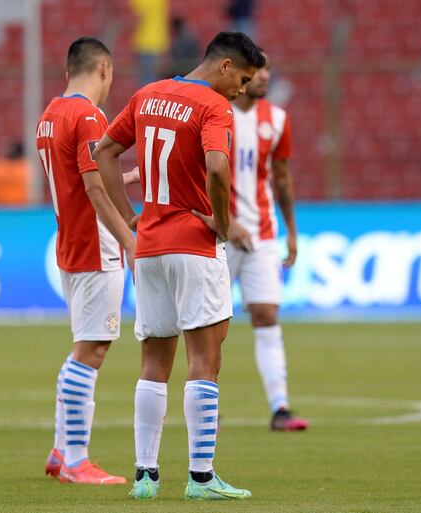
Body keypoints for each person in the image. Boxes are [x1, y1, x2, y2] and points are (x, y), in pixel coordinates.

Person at [95, 31, 266, 500]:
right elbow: (217, 167)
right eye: (243, 79)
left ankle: (145, 476)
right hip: (193, 244)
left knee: (153, 363)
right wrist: (223, 223)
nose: (242, 91)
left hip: (149, 248)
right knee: (205, 360)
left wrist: (129, 216)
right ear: (225, 66)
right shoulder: (213, 106)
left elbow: (104, 152)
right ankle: (201, 477)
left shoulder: (148, 94)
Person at [37, 37, 136, 485]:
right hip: (97, 247)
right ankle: (77, 460)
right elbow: (94, 188)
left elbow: (80, 178)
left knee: (86, 344)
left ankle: (62, 450)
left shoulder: (50, 115)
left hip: (70, 245)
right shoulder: (90, 116)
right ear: (104, 69)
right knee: (91, 349)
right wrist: (128, 240)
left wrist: (126, 177)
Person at [227, 55, 309, 431]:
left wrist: (290, 230)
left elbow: (282, 177)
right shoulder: (216, 114)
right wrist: (225, 222)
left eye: (268, 70)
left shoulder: (276, 119)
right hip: (217, 235)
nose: (265, 76)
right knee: (208, 325)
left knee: (266, 315)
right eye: (258, 69)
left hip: (261, 233)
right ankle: (206, 407)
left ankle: (280, 407)